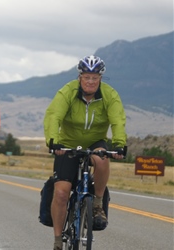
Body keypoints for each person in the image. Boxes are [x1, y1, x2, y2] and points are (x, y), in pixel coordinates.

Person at [43, 55, 127, 250]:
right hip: (68, 144)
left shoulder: (109, 95)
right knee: (62, 193)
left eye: (95, 78)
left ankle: (97, 203)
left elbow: (117, 120)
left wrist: (119, 144)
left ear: (100, 79)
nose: (90, 81)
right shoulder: (67, 92)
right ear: (80, 77)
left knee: (101, 158)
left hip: (95, 142)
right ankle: (57, 241)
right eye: (87, 77)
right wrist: (53, 142)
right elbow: (54, 116)